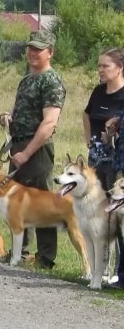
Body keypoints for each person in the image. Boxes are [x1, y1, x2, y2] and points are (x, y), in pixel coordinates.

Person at [1, 29, 65, 269]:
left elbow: (49, 123)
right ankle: (20, 252)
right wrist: (8, 116)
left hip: (36, 149)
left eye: (39, 49)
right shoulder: (27, 79)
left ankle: (45, 258)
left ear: (50, 52)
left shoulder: (51, 81)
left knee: (43, 204)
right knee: (17, 201)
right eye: (31, 48)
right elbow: (20, 109)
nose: (33, 53)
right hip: (18, 144)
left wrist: (27, 153)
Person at [85, 47, 124, 288]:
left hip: (118, 161)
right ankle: (100, 271)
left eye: (105, 66)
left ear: (119, 68)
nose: (100, 70)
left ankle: (118, 273)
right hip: (97, 159)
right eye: (99, 65)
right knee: (98, 213)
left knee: (118, 217)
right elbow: (86, 114)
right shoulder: (99, 91)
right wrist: (88, 138)